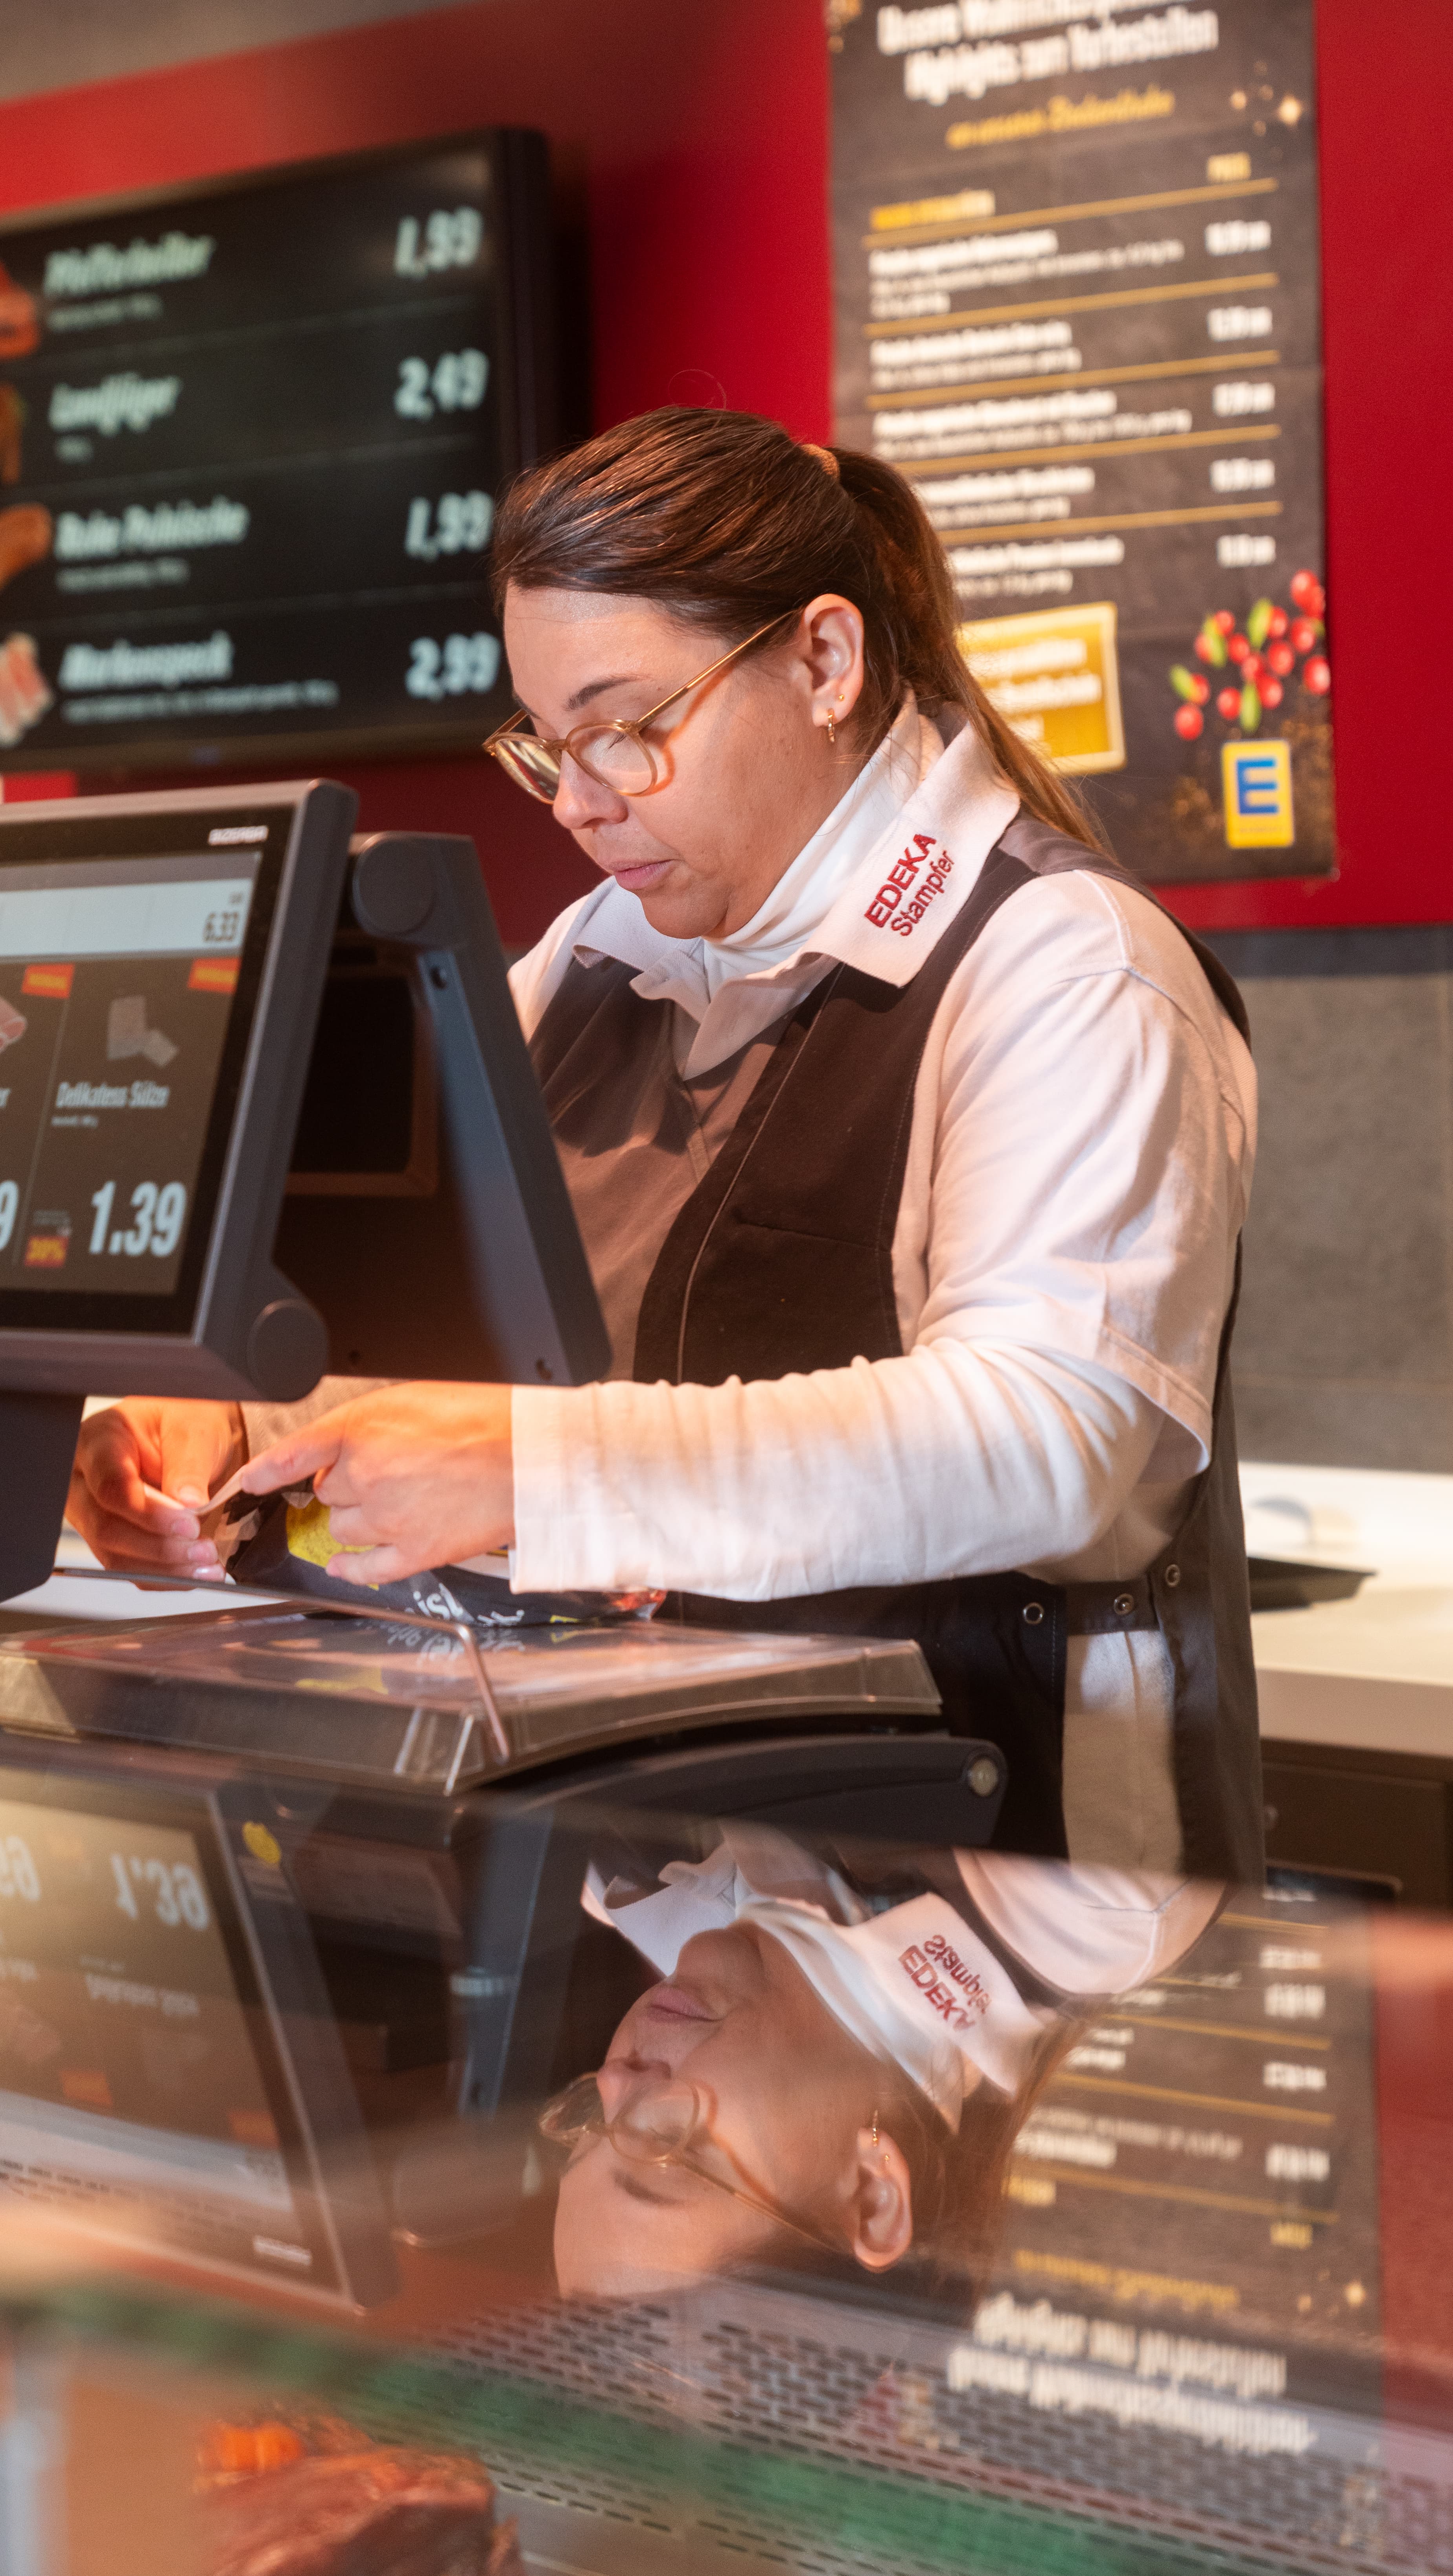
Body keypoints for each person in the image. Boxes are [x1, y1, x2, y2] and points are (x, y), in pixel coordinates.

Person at [67, 406, 1260, 1878]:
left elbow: (1048, 1443)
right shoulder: (593, 956)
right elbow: (433, 1322)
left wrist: (539, 1470)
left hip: (999, 1894)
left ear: (823, 662)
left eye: (627, 729)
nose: (578, 805)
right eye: (548, 745)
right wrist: (228, 1419)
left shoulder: (1070, 966)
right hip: (673, 1876)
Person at [545, 1827, 1224, 2304]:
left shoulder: (607, 1862)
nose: (615, 2079)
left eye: (592, 2120)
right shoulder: (1090, 1904)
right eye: (666, 2147)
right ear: (872, 2192)